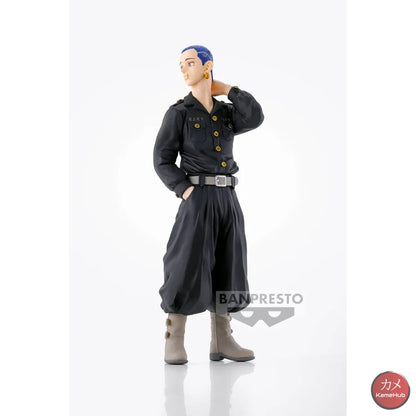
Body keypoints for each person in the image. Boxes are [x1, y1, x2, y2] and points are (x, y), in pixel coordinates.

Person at [153, 45, 264, 364]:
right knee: (185, 263)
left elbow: (255, 117)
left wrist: (228, 89)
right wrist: (184, 189)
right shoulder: (179, 113)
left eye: (190, 63)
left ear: (207, 65)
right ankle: (174, 339)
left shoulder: (227, 112)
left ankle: (222, 340)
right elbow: (162, 159)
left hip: (228, 197)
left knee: (229, 263)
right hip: (197, 197)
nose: (184, 70)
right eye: (181, 65)